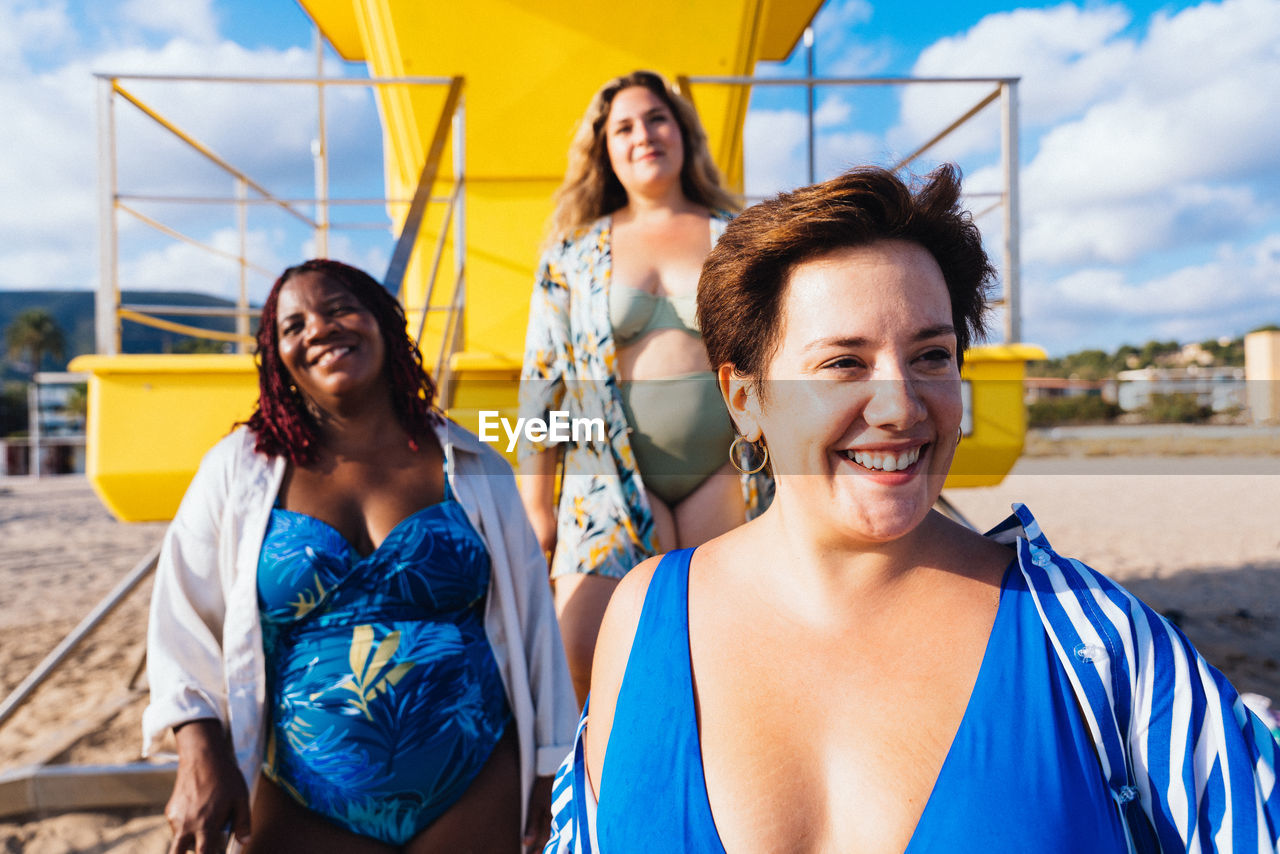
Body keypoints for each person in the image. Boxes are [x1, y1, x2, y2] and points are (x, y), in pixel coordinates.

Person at [543, 166, 1280, 852]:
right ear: (744, 399)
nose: (900, 406)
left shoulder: (1088, 637)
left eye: (931, 356)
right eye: (844, 363)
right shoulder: (640, 621)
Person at [143, 259, 576, 854]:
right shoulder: (238, 471)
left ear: (386, 325)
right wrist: (197, 749)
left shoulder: (476, 468)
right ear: (278, 357)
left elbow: (535, 632)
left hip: (476, 790)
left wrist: (551, 773)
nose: (319, 328)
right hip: (299, 803)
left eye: (341, 308)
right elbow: (182, 619)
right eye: (294, 325)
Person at [518, 70, 771, 705]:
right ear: (604, 148)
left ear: (682, 132)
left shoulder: (741, 236)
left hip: (730, 469)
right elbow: (541, 382)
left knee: (734, 653)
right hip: (606, 475)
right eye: (623, 127)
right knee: (584, 650)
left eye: (656, 118)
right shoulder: (571, 253)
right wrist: (536, 504)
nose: (643, 135)